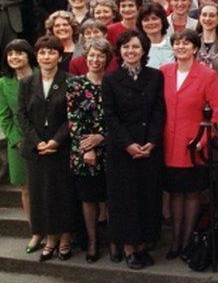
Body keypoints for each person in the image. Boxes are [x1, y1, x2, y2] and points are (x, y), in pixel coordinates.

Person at [160, 29, 218, 261]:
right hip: (168, 143)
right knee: (175, 193)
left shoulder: (207, 75)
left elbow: (217, 110)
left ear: (195, 48)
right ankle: (176, 241)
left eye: (186, 43)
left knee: (191, 195)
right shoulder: (164, 72)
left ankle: (187, 242)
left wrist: (203, 140)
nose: (181, 47)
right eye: (177, 43)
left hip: (193, 145)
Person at [102, 30, 165, 268]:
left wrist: (152, 141)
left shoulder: (155, 76)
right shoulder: (110, 79)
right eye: (126, 47)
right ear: (119, 51)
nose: (131, 51)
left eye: (136, 47)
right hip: (122, 150)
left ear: (144, 50)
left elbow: (159, 111)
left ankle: (142, 245)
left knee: (147, 197)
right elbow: (110, 116)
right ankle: (128, 248)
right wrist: (128, 144)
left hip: (149, 147)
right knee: (125, 200)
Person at [18, 36, 75, 261]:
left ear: (60, 57)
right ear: (36, 56)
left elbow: (72, 117)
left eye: (51, 52)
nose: (46, 57)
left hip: (60, 149)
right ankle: (50, 238)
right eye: (42, 52)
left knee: (63, 194)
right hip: (36, 150)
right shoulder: (27, 83)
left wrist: (56, 141)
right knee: (41, 196)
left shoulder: (70, 81)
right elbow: (22, 115)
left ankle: (65, 238)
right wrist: (36, 142)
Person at [66, 38, 112, 263]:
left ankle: (114, 241)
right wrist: (88, 148)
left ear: (107, 59)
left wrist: (102, 138)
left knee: (112, 196)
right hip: (84, 151)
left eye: (100, 56)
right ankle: (93, 241)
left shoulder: (112, 83)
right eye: (92, 55)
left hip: (110, 149)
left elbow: (117, 118)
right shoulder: (75, 84)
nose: (95, 60)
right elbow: (74, 119)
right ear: (85, 57)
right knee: (89, 198)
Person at [0, 40, 37, 252]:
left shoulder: (42, 73)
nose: (14, 57)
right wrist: (17, 140)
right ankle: (35, 232)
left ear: (28, 55)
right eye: (10, 54)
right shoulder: (4, 83)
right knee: (26, 188)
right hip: (19, 143)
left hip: (45, 139)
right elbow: (4, 117)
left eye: (19, 53)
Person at [138, 2, 173, 69]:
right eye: (146, 20)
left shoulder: (174, 43)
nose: (151, 23)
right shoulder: (138, 46)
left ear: (162, 20)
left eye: (154, 18)